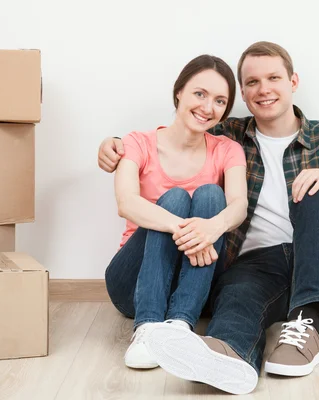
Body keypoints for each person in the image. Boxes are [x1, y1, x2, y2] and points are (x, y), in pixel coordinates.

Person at [99, 42, 319, 395]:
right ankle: (229, 355)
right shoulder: (231, 136)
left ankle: (306, 322)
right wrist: (116, 144)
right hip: (256, 263)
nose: (263, 89)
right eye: (252, 82)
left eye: (273, 78)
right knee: (238, 296)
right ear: (243, 93)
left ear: (293, 81)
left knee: (317, 187)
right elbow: (186, 129)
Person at [104, 54, 248, 372]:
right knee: (175, 199)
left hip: (193, 286)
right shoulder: (136, 143)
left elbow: (238, 204)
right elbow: (126, 203)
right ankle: (147, 327)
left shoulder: (227, 149)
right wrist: (185, 228)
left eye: (220, 101)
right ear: (179, 91)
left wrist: (212, 228)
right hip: (132, 284)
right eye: (200, 94)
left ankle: (180, 324)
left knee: (212, 196)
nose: (208, 107)